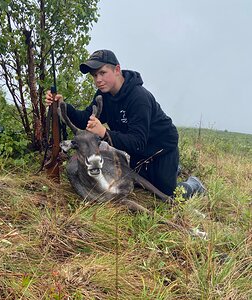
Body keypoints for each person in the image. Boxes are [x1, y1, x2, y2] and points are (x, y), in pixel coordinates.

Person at [46, 49, 205, 198]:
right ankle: (169, 170)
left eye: (102, 73)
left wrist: (104, 133)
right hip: (135, 152)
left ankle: (193, 183)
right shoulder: (104, 94)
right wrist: (62, 105)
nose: (98, 80)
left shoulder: (139, 98)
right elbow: (85, 120)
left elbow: (138, 142)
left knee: (168, 194)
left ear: (117, 70)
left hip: (161, 150)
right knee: (133, 181)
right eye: (94, 76)